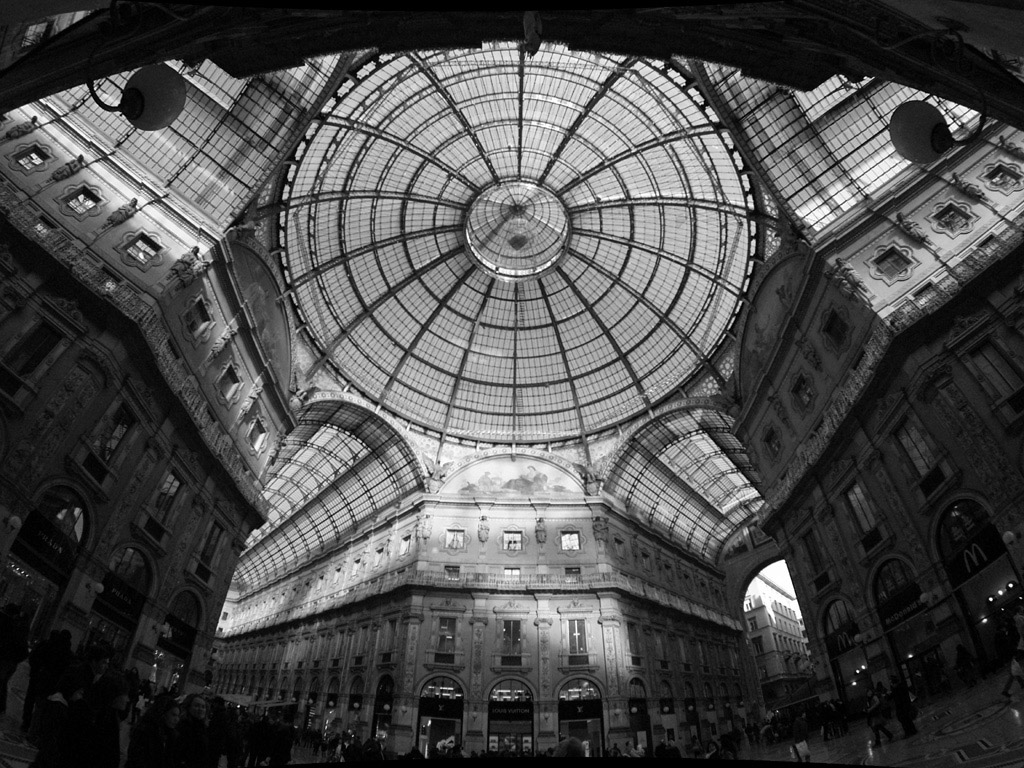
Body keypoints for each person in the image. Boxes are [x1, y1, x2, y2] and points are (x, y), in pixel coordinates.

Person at [126, 695, 181, 768]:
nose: (177, 719)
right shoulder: (145, 731)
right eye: (173, 715)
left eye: (178, 716)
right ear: (162, 713)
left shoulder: (170, 734)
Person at [0, 604, 28, 716]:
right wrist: (14, 660)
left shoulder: (8, 624)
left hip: (5, 660)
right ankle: (1, 707)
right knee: (2, 683)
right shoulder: (18, 628)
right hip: (9, 661)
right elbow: (23, 650)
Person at [177, 694, 213, 768]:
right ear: (188, 707)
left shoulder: (204, 728)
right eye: (197, 706)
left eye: (203, 707)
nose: (200, 709)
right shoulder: (183, 726)